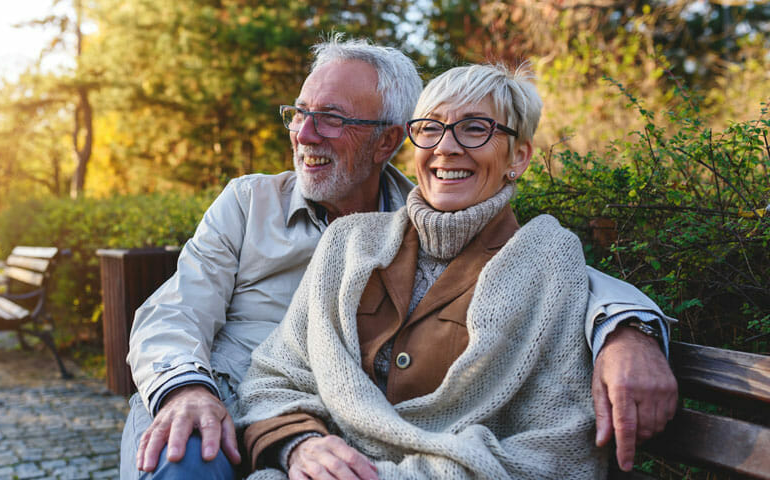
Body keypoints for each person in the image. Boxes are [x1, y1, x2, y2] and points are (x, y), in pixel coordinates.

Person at [121, 37, 677, 479]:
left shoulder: (477, 235)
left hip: (320, 443)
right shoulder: (259, 206)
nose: (304, 133)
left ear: (388, 143)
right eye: (300, 112)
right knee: (180, 455)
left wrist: (629, 329)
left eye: (331, 118)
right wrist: (191, 393)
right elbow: (176, 314)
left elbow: (552, 273)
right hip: (216, 402)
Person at [237, 62, 618, 478]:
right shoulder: (347, 243)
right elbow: (274, 377)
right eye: (430, 128)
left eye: (475, 129)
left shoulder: (548, 260)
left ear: (519, 156)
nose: (446, 147)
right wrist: (301, 446)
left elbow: (558, 448)